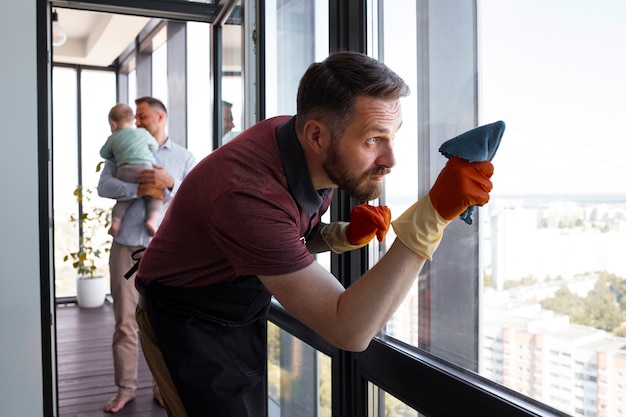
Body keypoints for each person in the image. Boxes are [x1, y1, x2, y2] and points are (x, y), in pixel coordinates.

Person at [135, 51, 494, 417]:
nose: (390, 159)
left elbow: (282, 233)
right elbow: (348, 329)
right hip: (188, 320)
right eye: (373, 140)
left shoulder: (301, 145)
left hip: (238, 304)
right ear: (316, 135)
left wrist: (340, 235)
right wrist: (430, 215)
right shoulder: (248, 195)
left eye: (391, 137)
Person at [97, 96, 197, 413]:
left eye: (142, 117)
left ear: (160, 116)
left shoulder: (183, 157)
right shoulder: (118, 148)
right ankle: (125, 389)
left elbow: (197, 198)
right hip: (126, 247)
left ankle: (162, 388)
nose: (137, 122)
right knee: (124, 322)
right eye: (135, 117)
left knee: (164, 323)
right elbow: (104, 186)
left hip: (166, 252)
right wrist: (137, 189)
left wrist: (169, 183)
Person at [99, 103, 161, 237]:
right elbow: (154, 146)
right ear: (132, 121)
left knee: (123, 200)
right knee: (156, 196)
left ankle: (115, 222)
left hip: (124, 170)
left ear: (114, 125)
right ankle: (152, 220)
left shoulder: (113, 138)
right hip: (146, 170)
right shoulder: (143, 133)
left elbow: (103, 153)